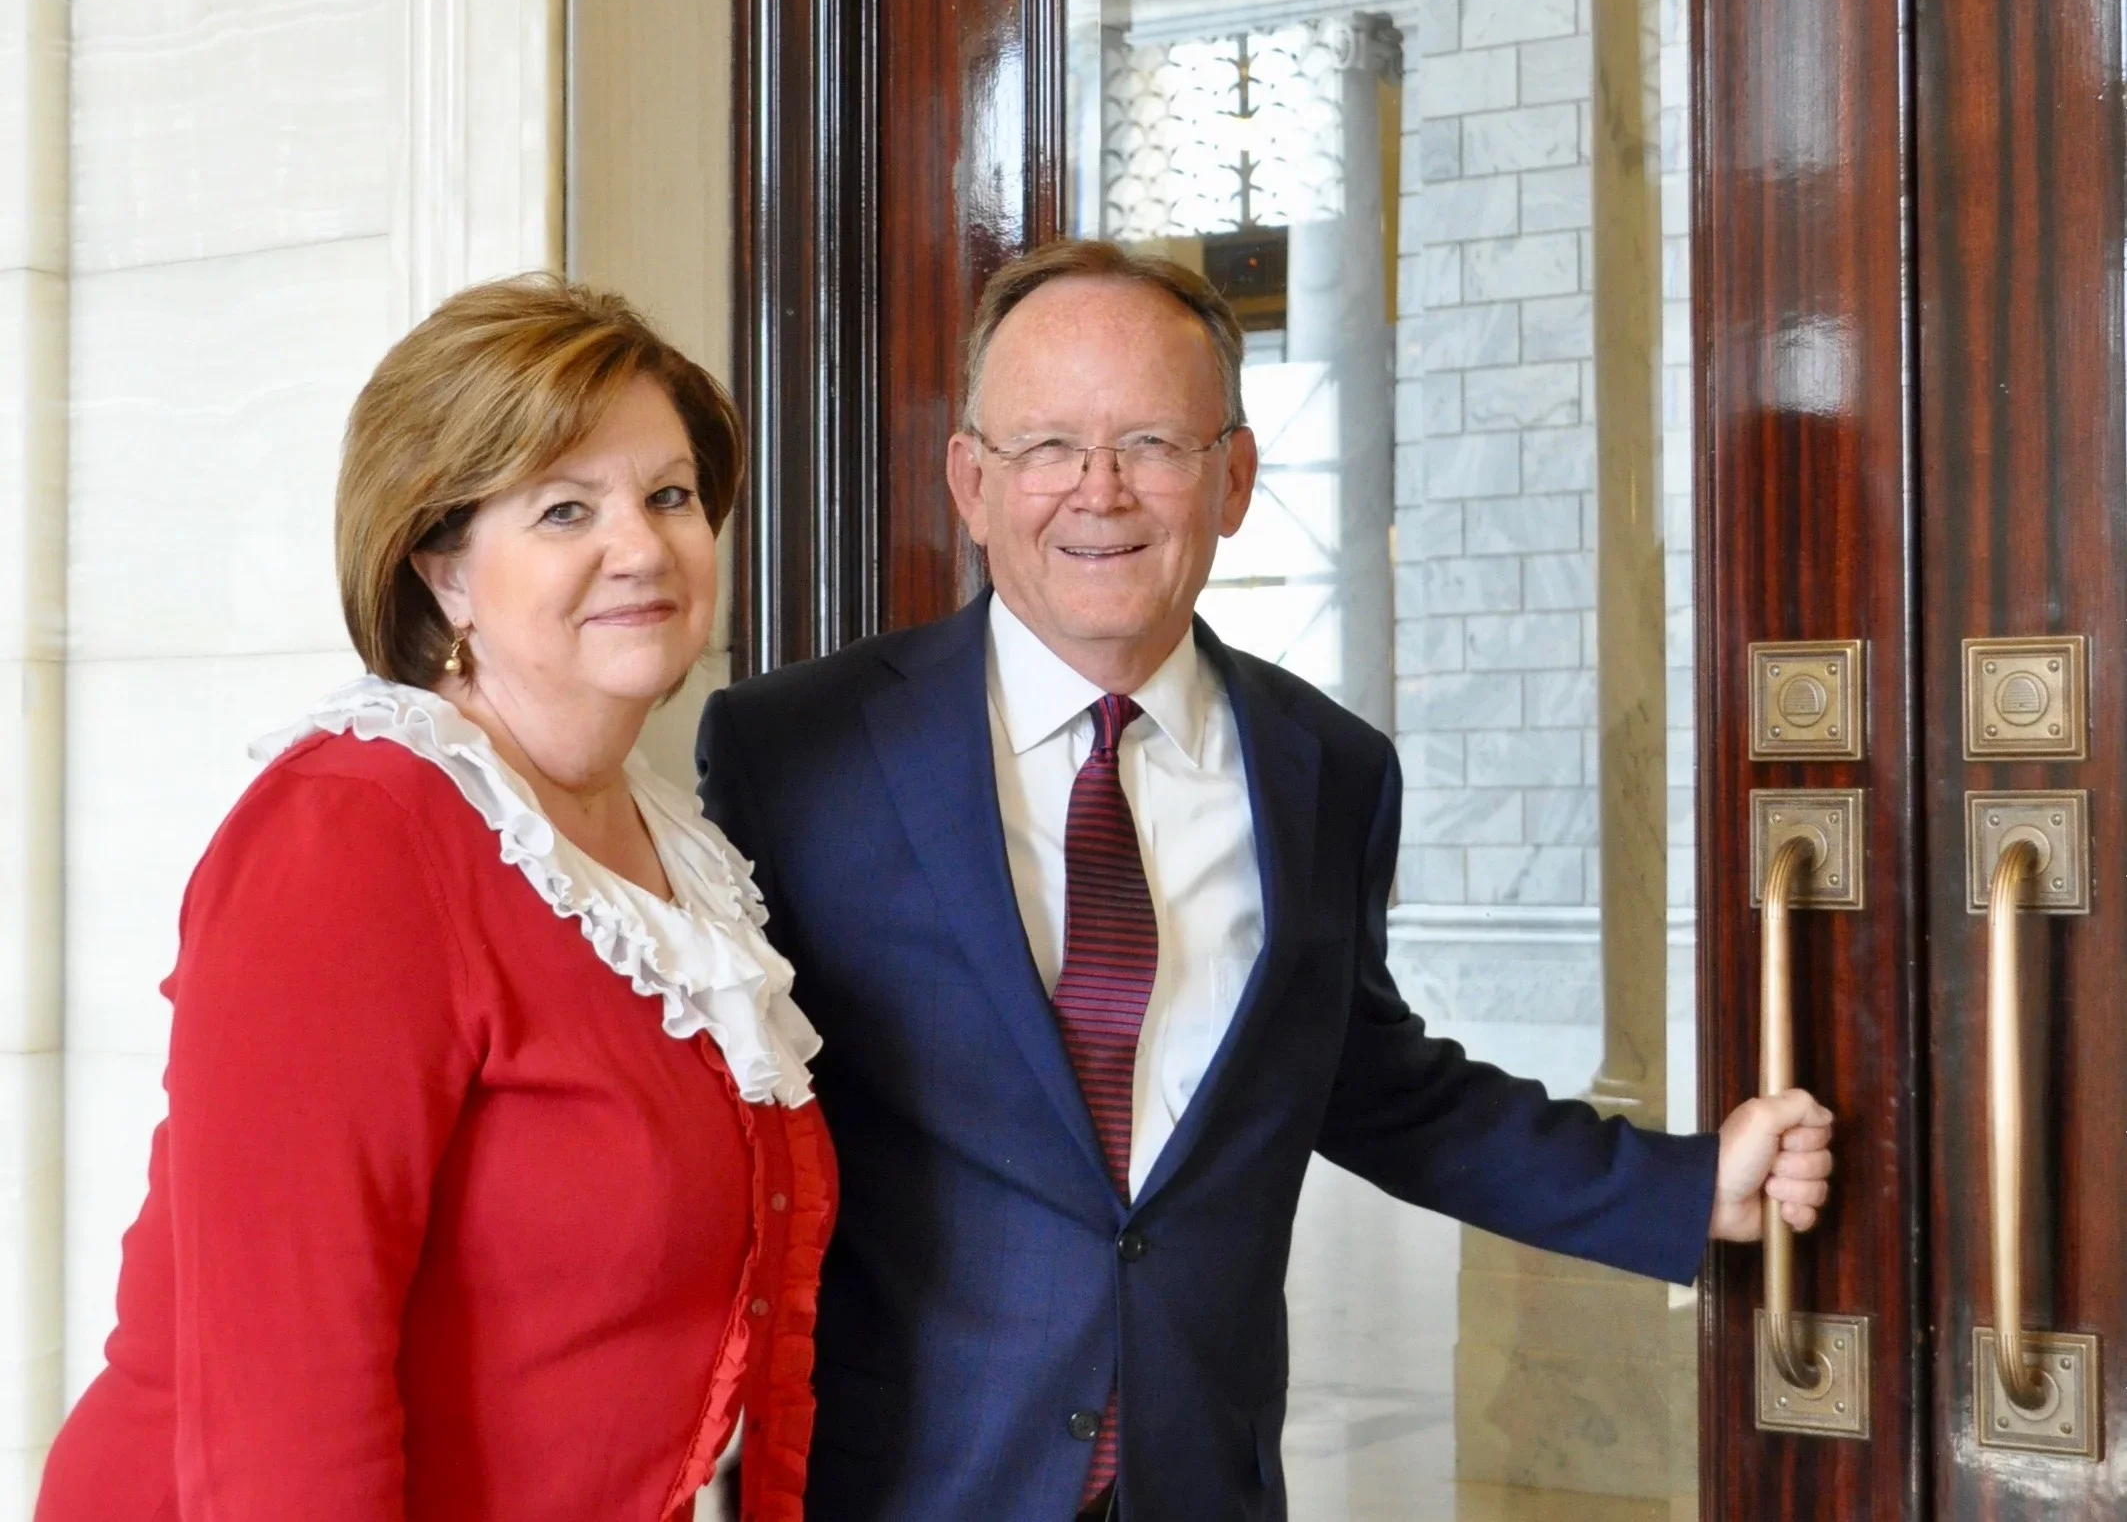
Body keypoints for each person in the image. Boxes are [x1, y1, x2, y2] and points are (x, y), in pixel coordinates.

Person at [697, 239, 1833, 1521]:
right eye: (1047, 447)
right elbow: (709, 1128)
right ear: (971, 480)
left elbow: (1372, 1082)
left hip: (1201, 1482)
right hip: (903, 1481)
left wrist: (1684, 1185)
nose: (1100, 491)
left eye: (1154, 445)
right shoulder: (796, 752)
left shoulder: (1327, 770)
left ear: (1233, 476)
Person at [37, 276, 834, 1522]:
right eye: (567, 507)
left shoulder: (672, 853)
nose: (643, 544)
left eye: (670, 495)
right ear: (442, 568)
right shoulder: (356, 829)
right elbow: (283, 1413)